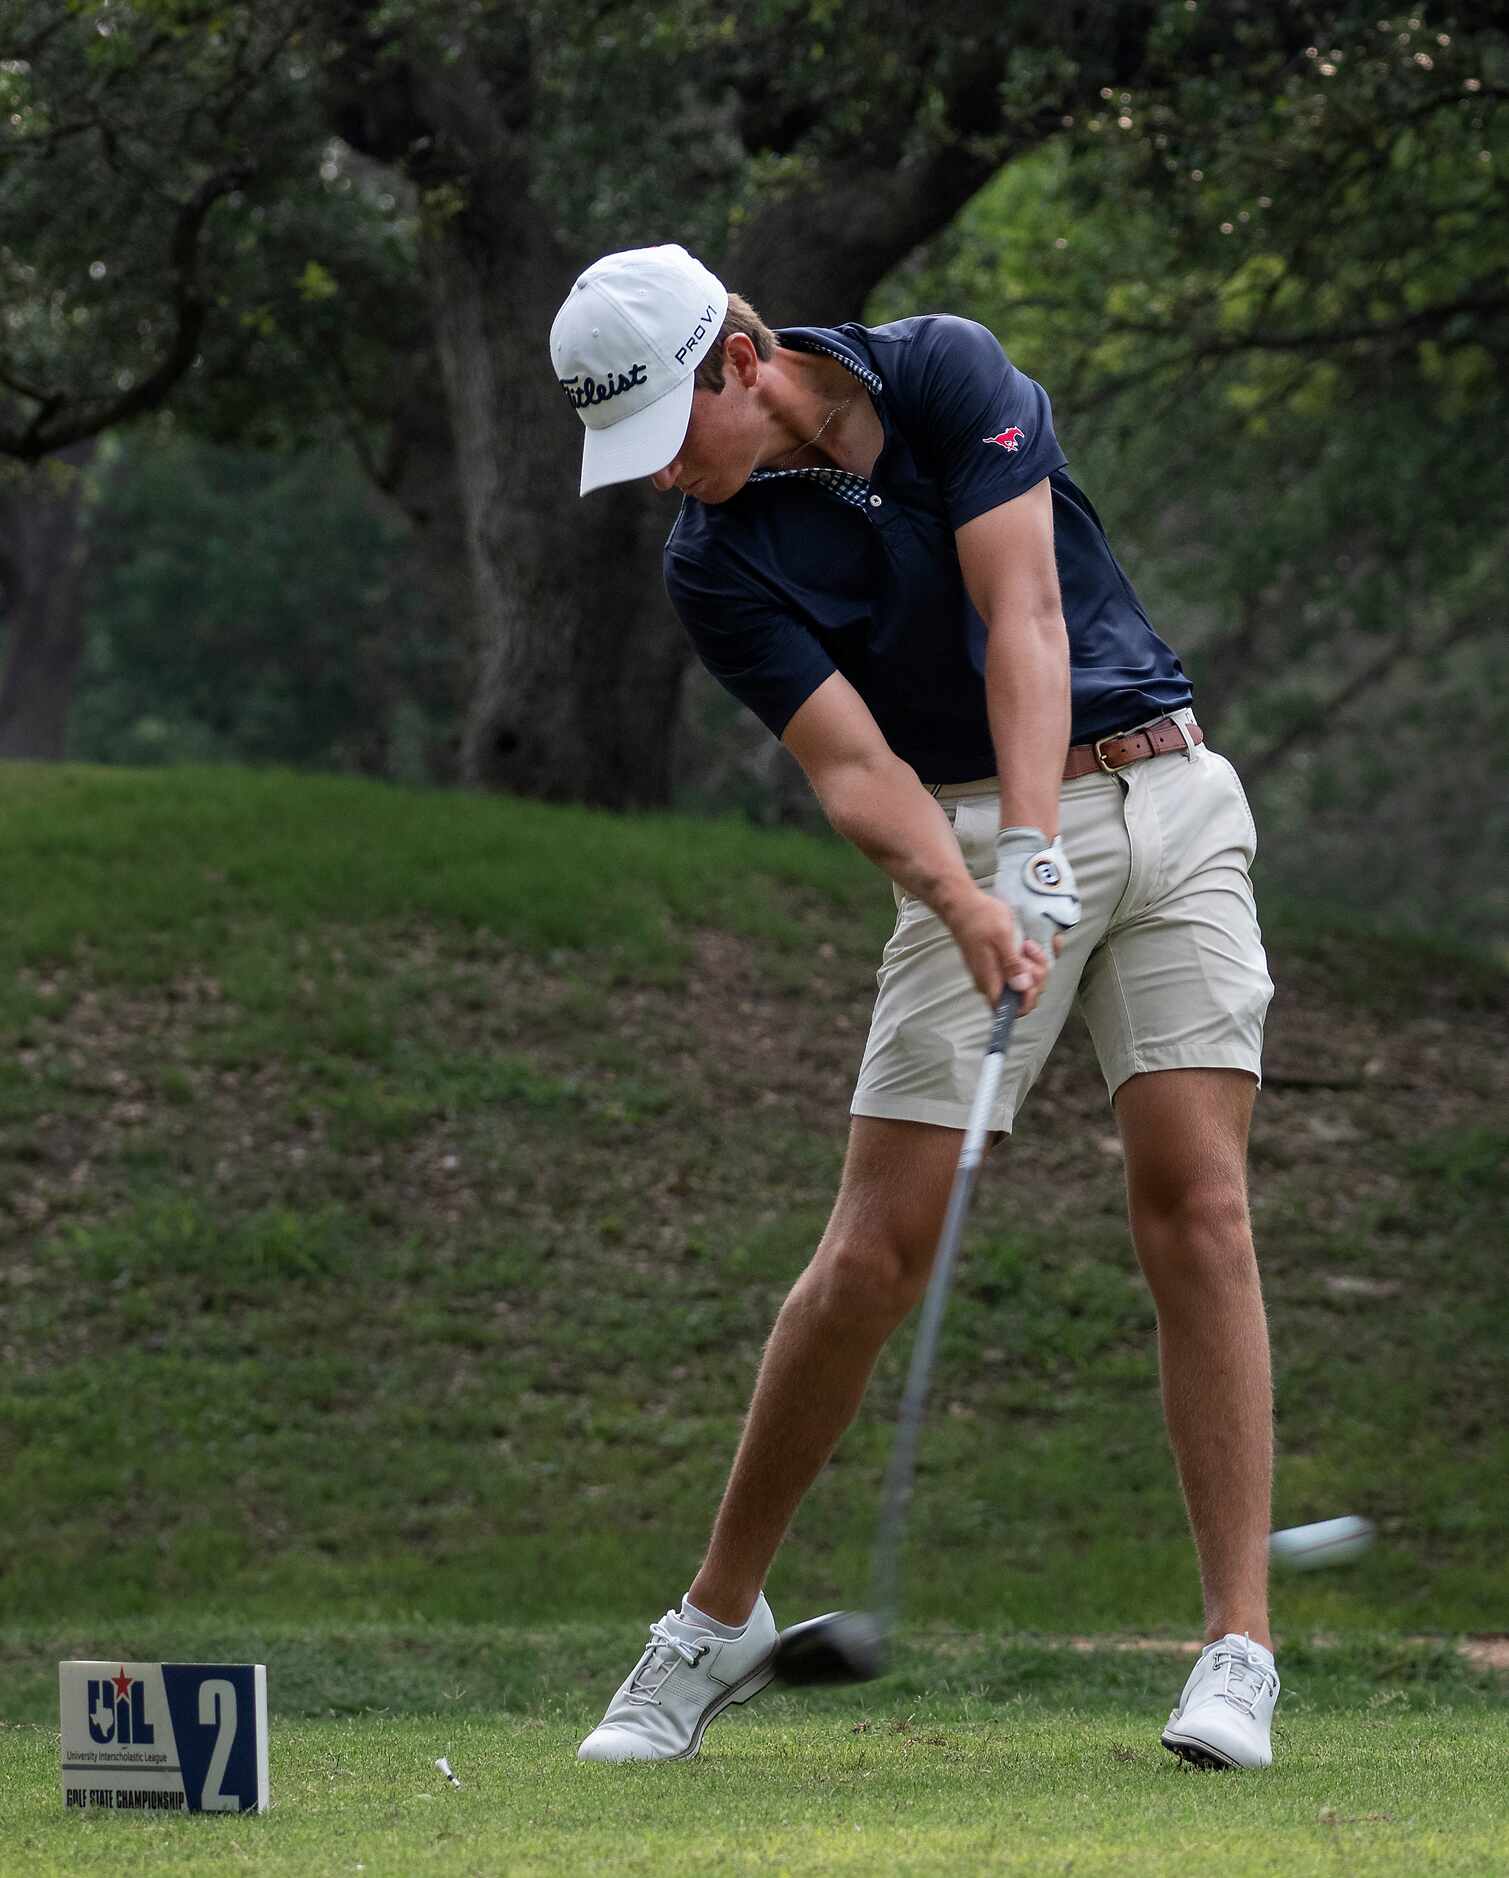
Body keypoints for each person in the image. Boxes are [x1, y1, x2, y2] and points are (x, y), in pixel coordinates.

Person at [549, 244, 1280, 1771]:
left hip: (1168, 791)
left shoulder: (945, 367)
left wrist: (1035, 842)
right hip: (955, 832)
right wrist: (972, 890)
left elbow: (1024, 612)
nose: (666, 479)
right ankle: (716, 1618)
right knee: (874, 1253)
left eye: (671, 437)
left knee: (1196, 1208)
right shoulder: (714, 560)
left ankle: (1235, 1651)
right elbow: (852, 769)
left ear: (737, 360)